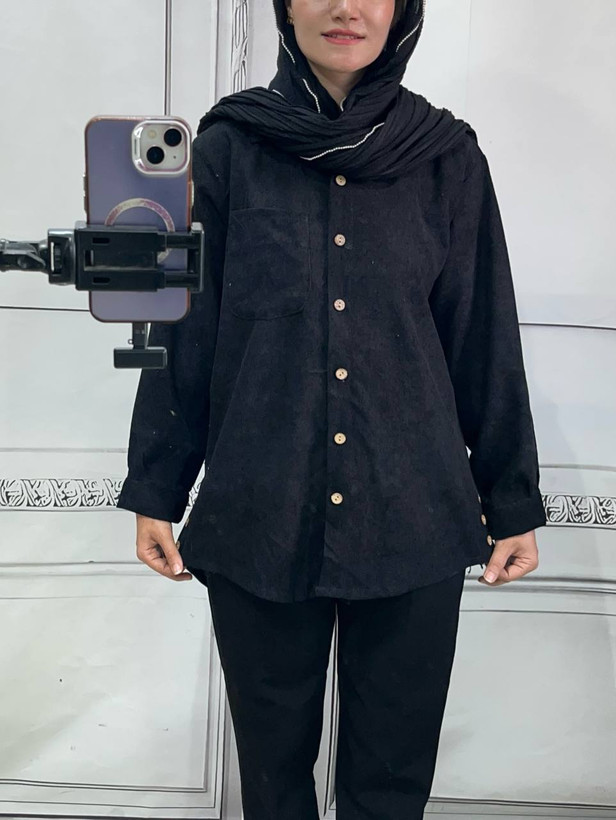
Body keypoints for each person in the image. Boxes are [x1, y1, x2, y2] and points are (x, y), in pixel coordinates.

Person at [117, 0, 547, 816]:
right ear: (285, 5)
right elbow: (186, 331)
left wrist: (512, 499)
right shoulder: (228, 151)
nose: (346, 7)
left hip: (415, 517)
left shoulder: (447, 159)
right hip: (260, 512)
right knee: (273, 785)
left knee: (390, 788)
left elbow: (481, 333)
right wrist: (156, 488)